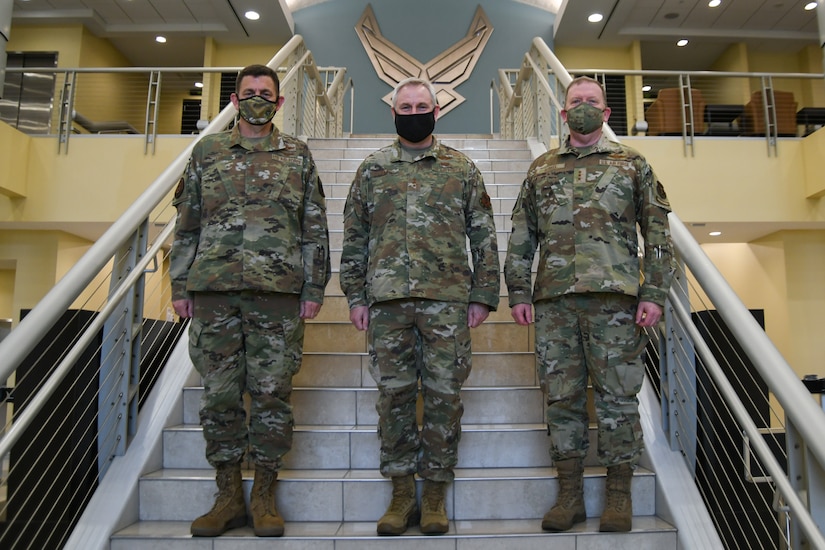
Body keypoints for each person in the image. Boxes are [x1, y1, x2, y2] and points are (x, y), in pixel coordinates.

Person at [504, 75, 675, 533]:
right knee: (563, 399)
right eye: (574, 101)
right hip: (555, 303)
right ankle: (571, 495)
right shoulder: (540, 169)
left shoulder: (632, 164)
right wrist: (518, 291)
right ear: (563, 113)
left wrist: (654, 292)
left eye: (591, 101)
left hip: (616, 303)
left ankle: (618, 494)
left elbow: (657, 236)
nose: (582, 106)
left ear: (606, 112)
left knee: (618, 397)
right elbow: (522, 237)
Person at [169, 63, 330, 538]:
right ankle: (226, 497)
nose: (257, 98)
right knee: (219, 397)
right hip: (214, 293)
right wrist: (180, 285)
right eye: (249, 92)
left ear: (279, 102)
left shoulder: (297, 156)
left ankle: (263, 496)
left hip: (277, 297)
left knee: (271, 396)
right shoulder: (208, 152)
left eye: (266, 93)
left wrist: (314, 288)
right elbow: (188, 224)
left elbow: (313, 229)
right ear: (235, 101)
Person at [339, 77, 500, 536]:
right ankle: (400, 493)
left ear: (436, 110)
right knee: (394, 399)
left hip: (447, 303)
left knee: (445, 398)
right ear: (393, 112)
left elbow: (484, 237)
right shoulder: (371, 170)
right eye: (406, 106)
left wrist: (484, 295)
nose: (414, 111)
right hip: (387, 303)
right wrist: (355, 296)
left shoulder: (461, 169)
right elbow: (354, 240)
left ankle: (433, 494)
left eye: (422, 105)